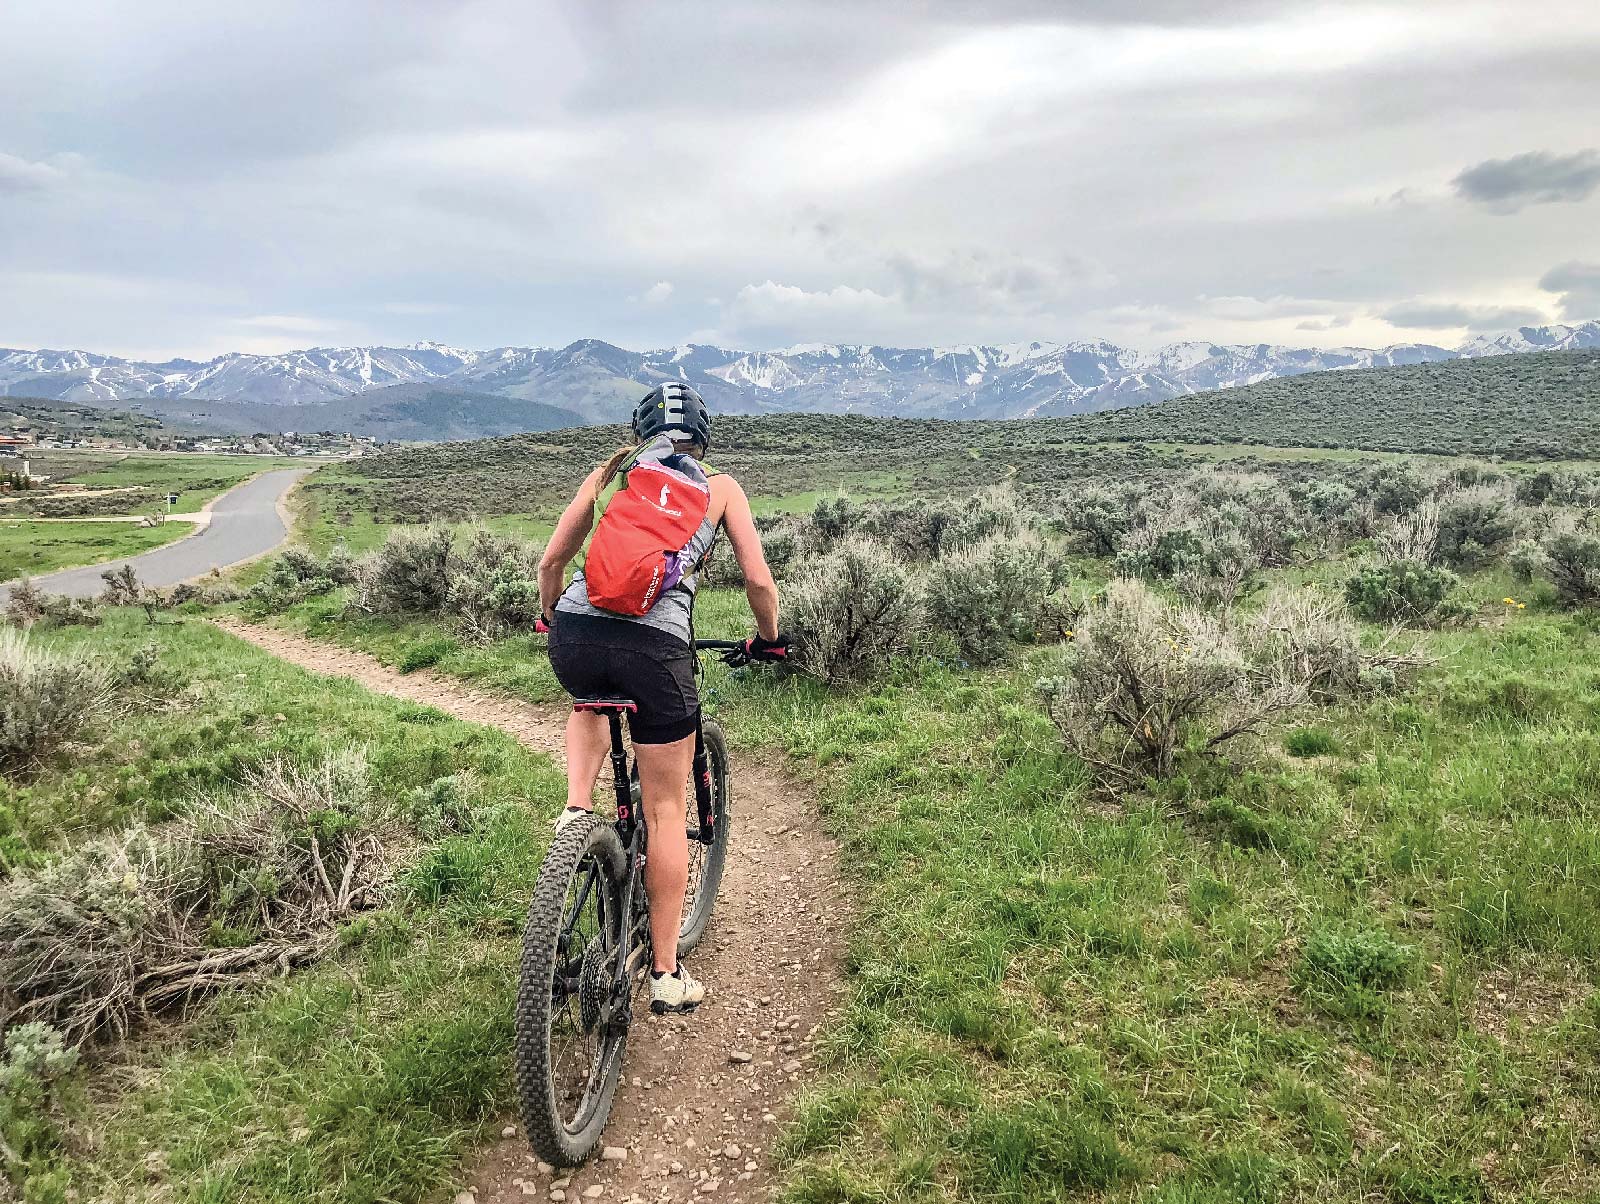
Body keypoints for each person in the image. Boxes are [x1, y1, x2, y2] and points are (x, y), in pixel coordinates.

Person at [537, 382, 787, 1015]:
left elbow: (550, 562)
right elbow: (759, 580)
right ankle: (665, 976)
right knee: (668, 806)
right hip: (657, 647)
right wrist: (769, 641)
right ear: (702, 435)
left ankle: (573, 812)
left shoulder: (613, 472)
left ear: (640, 428)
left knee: (590, 699)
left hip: (577, 634)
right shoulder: (722, 489)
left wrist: (552, 620)